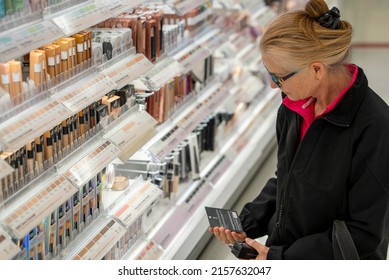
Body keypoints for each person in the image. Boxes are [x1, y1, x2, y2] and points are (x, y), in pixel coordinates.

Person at [209, 0, 389, 259]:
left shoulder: (375, 128)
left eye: (278, 77)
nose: (273, 86)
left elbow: (363, 236)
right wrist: (247, 222)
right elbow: (288, 178)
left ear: (316, 69)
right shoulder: (292, 110)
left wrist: (282, 258)